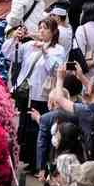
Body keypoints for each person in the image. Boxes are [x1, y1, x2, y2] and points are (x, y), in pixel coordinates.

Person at [9, 18, 66, 171]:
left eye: (45, 28)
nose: (41, 31)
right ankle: (28, 160)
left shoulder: (58, 50)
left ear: (53, 31)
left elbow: (55, 69)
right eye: (40, 27)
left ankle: (39, 163)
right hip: (27, 93)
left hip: (43, 94)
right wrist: (15, 37)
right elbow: (9, 54)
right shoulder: (29, 46)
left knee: (40, 128)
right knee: (26, 126)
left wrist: (44, 51)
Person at [50, 121, 85, 186]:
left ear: (64, 139)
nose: (55, 138)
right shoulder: (79, 152)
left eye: (57, 135)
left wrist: (52, 182)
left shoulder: (64, 159)